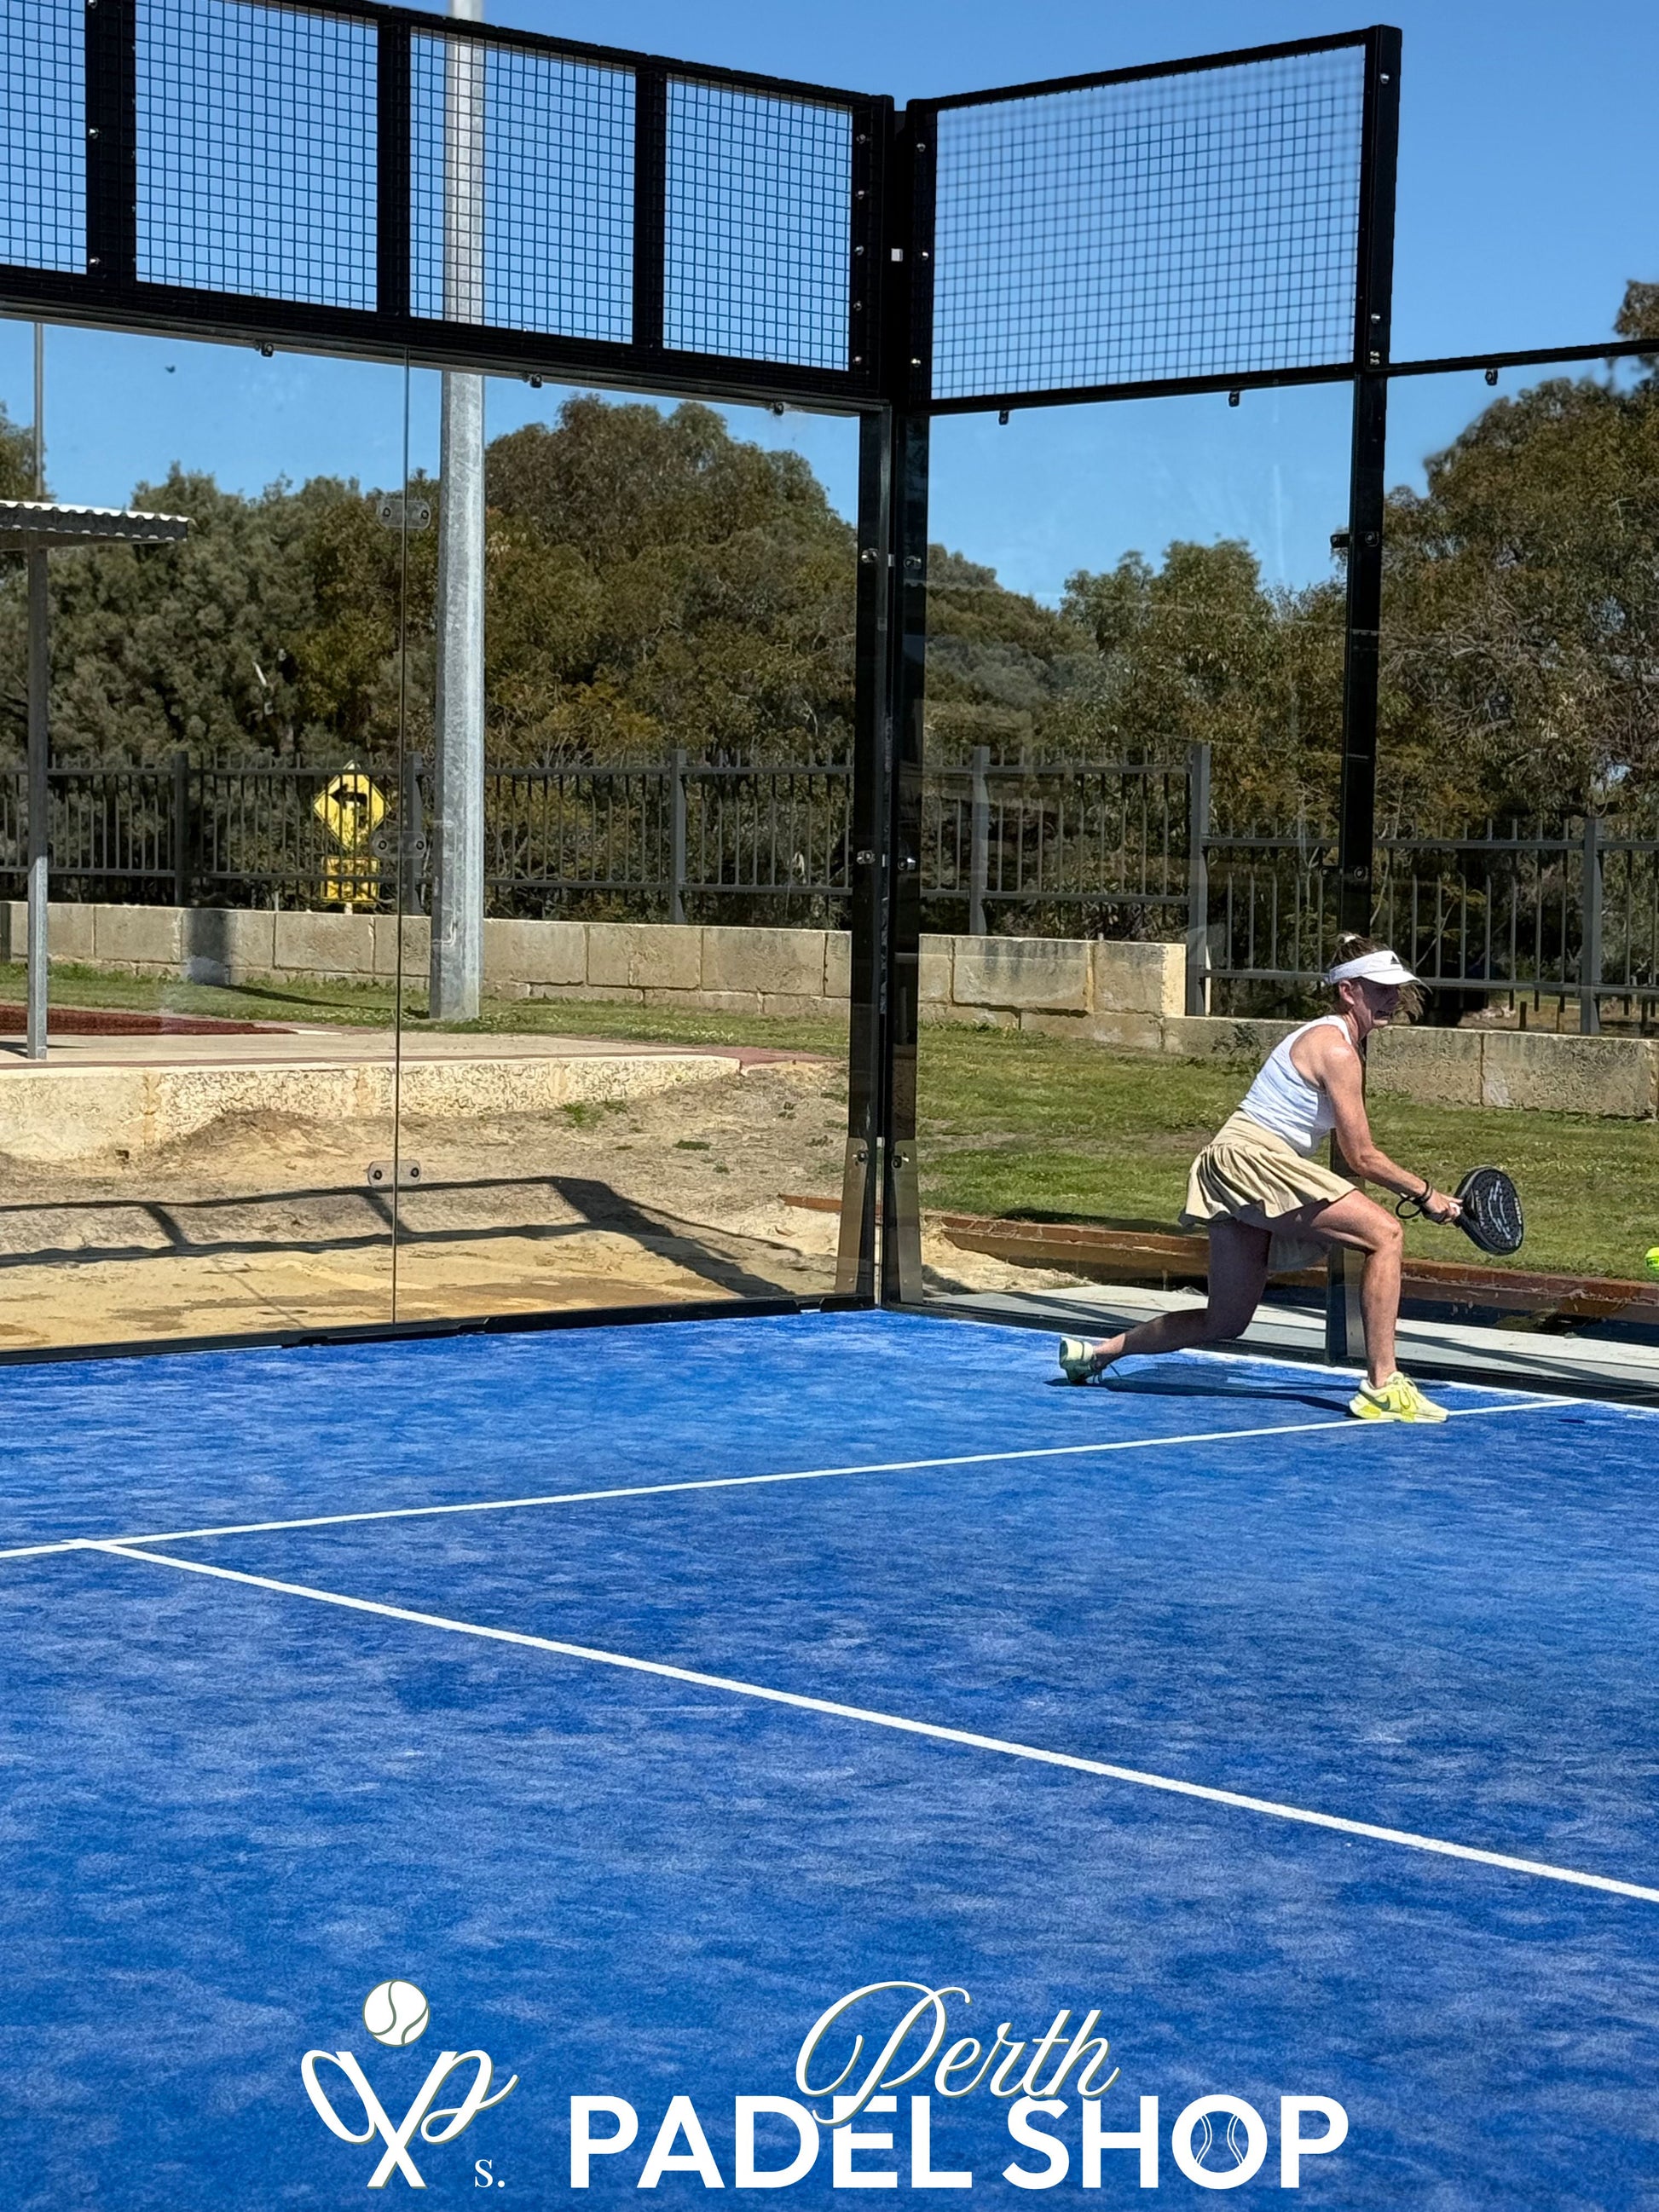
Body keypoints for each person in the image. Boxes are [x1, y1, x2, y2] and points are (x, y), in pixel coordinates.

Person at [1058, 936, 1461, 1422]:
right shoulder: (1337, 1050)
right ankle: (1382, 1384)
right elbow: (1362, 1157)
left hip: (1232, 1165)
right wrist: (1426, 1194)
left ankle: (1097, 1354)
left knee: (1226, 1320)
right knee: (1386, 1234)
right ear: (1348, 990)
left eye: (1395, 989)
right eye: (1380, 989)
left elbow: (1345, 1151)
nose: (1392, 999)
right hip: (1250, 1160)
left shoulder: (1335, 1042)